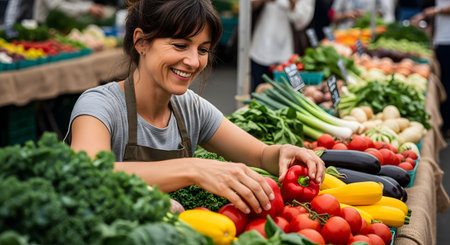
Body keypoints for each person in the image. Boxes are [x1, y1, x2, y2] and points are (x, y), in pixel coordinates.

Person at [65, 0, 325, 214]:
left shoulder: (190, 107)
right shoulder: (99, 105)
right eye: (180, 45)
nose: (192, 61)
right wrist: (194, 169)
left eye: (203, 49)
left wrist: (284, 152)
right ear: (141, 42)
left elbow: (259, 155)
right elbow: (88, 173)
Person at [249, 0, 315, 93]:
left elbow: (302, 23)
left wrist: (292, 4)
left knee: (291, 94)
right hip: (260, 50)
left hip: (288, 56)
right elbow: (249, 6)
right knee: (258, 92)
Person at [411, 1, 450, 138]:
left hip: (447, 41)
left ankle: (447, 126)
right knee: (445, 82)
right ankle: (445, 125)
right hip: (441, 40)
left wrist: (435, 11)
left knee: (447, 83)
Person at [331, 0, 396, 29]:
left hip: (367, 33)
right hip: (345, 33)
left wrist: (366, 15)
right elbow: (333, 16)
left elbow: (383, 12)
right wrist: (347, 15)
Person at [33, 0, 106, 23]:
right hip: (45, 28)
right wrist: (87, 8)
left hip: (63, 29)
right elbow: (57, 7)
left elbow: (74, 1)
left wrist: (91, 6)